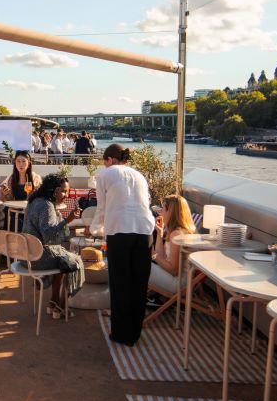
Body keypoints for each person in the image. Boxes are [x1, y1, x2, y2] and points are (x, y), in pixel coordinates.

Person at [88, 143, 154, 347]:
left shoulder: (105, 175)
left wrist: (94, 230)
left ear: (109, 160)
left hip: (119, 230)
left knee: (120, 283)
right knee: (139, 283)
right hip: (145, 231)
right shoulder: (139, 175)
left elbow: (102, 208)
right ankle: (134, 332)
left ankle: (121, 334)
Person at [22, 173, 85, 318]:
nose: (66, 195)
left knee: (62, 258)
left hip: (26, 255)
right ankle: (61, 307)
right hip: (38, 258)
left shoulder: (34, 201)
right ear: (56, 190)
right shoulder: (46, 205)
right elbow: (49, 236)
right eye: (64, 191)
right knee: (73, 262)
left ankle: (53, 303)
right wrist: (66, 221)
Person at [150, 194, 196, 295]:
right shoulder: (176, 231)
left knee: (139, 264)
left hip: (178, 284)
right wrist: (159, 233)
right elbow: (162, 257)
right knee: (139, 263)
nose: (160, 211)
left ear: (171, 212)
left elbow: (174, 270)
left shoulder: (177, 235)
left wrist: (153, 255)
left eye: (163, 208)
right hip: (177, 280)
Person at [0, 151, 42, 231]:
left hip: (30, 210)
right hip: (15, 209)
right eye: (18, 161)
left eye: (23, 161)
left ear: (29, 163)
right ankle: (14, 239)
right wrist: (5, 193)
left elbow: (39, 198)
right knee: (11, 213)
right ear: (15, 163)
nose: (21, 164)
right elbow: (10, 199)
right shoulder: (12, 178)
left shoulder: (35, 178)